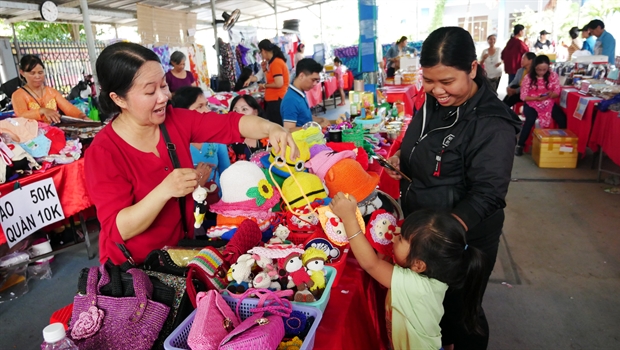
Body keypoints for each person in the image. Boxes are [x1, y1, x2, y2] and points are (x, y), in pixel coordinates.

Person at [84, 42, 297, 265]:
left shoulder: (174, 120)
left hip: (179, 253)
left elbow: (231, 124)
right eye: (150, 91)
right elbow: (120, 228)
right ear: (118, 99)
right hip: (134, 270)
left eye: (164, 86)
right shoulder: (103, 152)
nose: (163, 97)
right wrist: (165, 190)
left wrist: (272, 128)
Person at [385, 26, 521, 350]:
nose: (436, 90)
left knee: (462, 312)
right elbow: (424, 140)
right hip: (427, 227)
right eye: (429, 80)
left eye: (447, 81)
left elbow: (487, 194)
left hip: (459, 238)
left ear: (473, 68)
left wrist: (440, 237)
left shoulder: (492, 123)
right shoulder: (433, 101)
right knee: (434, 311)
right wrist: (404, 156)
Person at [331, 196, 487, 350]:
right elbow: (381, 264)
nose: (394, 236)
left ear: (418, 265)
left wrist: (349, 218)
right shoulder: (427, 275)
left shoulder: (416, 287)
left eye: (401, 239)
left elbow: (372, 264)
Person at [172, 86, 230, 190]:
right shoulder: (174, 144)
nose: (207, 111)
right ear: (182, 113)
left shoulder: (216, 137)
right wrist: (199, 180)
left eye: (207, 105)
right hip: (190, 202)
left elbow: (227, 173)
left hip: (218, 199)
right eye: (200, 106)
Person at [12, 55, 87, 123]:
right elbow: (21, 115)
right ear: (22, 73)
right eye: (32, 73)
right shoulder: (18, 95)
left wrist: (81, 116)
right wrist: (42, 110)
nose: (37, 76)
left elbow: (68, 108)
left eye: (40, 72)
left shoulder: (51, 92)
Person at [517, 54, 567, 156]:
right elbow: (523, 96)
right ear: (534, 67)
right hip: (531, 103)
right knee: (530, 119)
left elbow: (557, 92)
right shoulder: (528, 77)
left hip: (548, 102)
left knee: (562, 118)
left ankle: (562, 144)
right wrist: (536, 98)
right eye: (539, 69)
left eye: (544, 70)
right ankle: (520, 145)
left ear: (548, 68)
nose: (541, 72)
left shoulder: (553, 75)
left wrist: (551, 94)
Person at [244, 39, 290, 125]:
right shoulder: (271, 62)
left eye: (260, 53)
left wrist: (264, 85)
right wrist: (253, 78)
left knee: (277, 125)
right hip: (273, 99)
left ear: (263, 51)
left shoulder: (276, 63)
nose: (261, 55)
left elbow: (279, 83)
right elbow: (264, 76)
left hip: (277, 99)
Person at [281, 58, 330, 131]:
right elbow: (289, 130)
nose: (315, 84)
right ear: (301, 76)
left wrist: (320, 120)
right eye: (313, 80)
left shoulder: (300, 93)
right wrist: (317, 127)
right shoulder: (291, 100)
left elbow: (305, 117)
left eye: (317, 81)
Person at [228, 95, 268, 162]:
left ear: (255, 112)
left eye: (244, 109)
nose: (239, 114)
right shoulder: (229, 141)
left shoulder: (267, 133)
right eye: (235, 111)